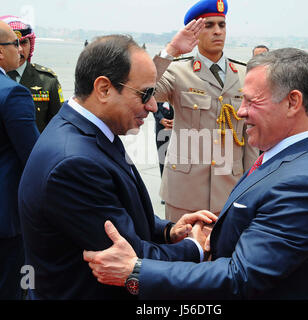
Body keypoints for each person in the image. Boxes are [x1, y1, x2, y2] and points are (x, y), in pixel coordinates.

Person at [84, 48, 308, 300]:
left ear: (293, 102)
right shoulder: (286, 157)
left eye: (251, 100)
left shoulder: (306, 184)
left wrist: (136, 270)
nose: (240, 111)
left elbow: (240, 277)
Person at [18, 34, 217, 300]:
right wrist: (196, 248)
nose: (153, 106)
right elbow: (130, 256)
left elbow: (120, 210)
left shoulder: (88, 129)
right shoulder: (74, 164)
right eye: (145, 93)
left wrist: (169, 231)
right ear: (103, 89)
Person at [153, 0, 259, 222]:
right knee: (181, 254)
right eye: (209, 25)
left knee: (225, 255)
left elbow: (249, 137)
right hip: (184, 193)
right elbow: (143, 92)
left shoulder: (242, 74)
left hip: (229, 192)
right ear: (195, 31)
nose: (218, 31)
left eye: (222, 25)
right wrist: (172, 49)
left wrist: (251, 187)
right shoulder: (178, 72)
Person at [0, 20, 39, 299]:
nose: (20, 50)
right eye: (14, 43)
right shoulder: (12, 92)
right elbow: (34, 157)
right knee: (14, 289)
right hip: (6, 219)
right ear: (1, 52)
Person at [1, 15, 64, 132]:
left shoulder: (47, 80)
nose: (19, 49)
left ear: (31, 45)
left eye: (24, 42)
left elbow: (59, 124)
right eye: (14, 43)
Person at [153, 101, 174, 177]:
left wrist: (177, 120)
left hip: (179, 128)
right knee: (163, 158)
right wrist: (161, 119)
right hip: (161, 128)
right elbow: (153, 105)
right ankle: (164, 183)